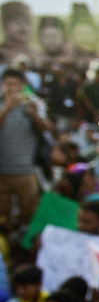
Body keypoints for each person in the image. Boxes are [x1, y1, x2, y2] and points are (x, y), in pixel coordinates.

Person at [0, 67, 49, 224]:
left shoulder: (33, 103)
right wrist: (7, 108)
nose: (12, 88)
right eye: (8, 84)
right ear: (2, 84)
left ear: (22, 85)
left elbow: (47, 128)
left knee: (29, 215)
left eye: (16, 84)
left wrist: (34, 116)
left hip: (26, 171)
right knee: (3, 217)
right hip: (2, 172)